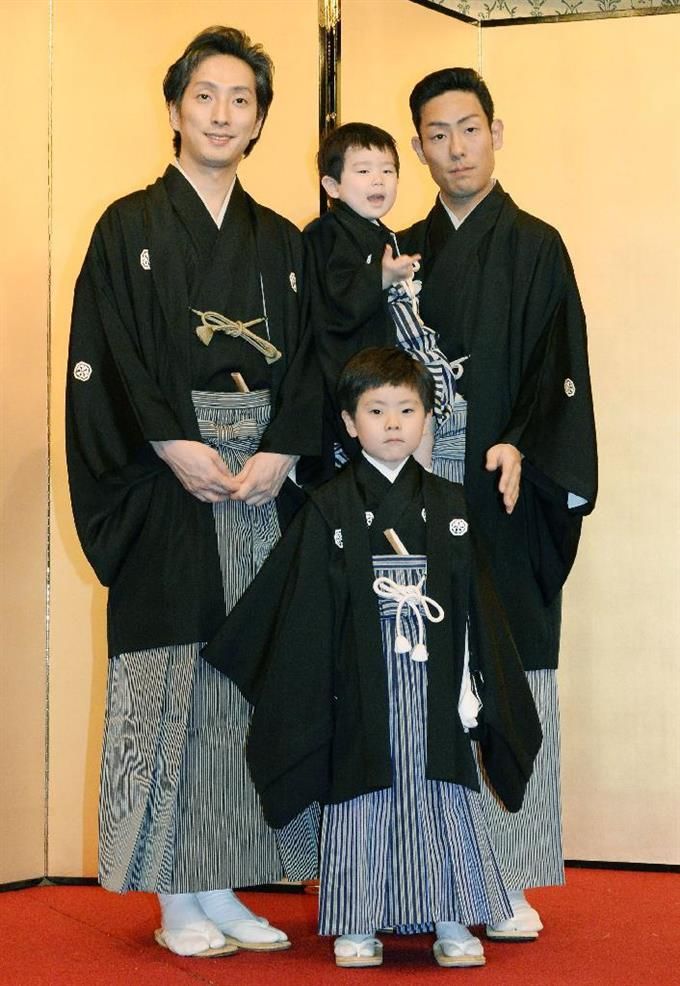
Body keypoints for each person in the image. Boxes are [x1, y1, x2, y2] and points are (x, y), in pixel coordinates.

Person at [66, 26, 320, 958]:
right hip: (166, 479)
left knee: (241, 688)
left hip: (258, 483)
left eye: (241, 99)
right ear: (174, 107)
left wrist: (284, 455)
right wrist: (172, 443)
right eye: (205, 95)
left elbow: (316, 362)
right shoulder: (127, 228)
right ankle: (174, 892)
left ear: (259, 121)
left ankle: (224, 879)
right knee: (167, 682)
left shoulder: (282, 242)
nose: (222, 113)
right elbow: (109, 354)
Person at [203, 347, 543, 969]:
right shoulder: (329, 505)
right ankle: (357, 922)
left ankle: (450, 916)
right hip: (360, 681)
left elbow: (477, 608)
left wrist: (479, 681)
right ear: (349, 421)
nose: (392, 423)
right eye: (376, 410)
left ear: (425, 419)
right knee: (361, 798)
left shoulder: (448, 504)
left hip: (433, 679)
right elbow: (299, 605)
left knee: (441, 793)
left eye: (407, 410)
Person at [400, 67, 598, 940]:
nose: (455, 148)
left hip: (504, 487)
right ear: (417, 147)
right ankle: (427, 869)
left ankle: (508, 872)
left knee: (511, 674)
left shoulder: (537, 245)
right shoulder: (398, 251)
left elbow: (563, 372)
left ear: (496, 132)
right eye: (436, 134)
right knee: (424, 673)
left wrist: (522, 439)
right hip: (418, 490)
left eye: (468, 129)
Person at [304, 122, 446, 474]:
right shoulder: (326, 233)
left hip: (389, 370)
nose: (378, 180)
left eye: (388, 171)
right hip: (354, 371)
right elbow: (336, 301)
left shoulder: (380, 233)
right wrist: (382, 277)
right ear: (331, 186)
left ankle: (416, 490)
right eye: (364, 171)